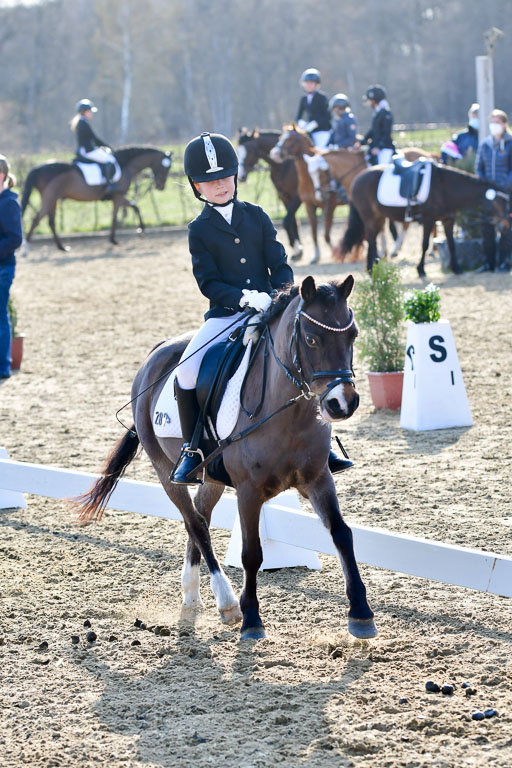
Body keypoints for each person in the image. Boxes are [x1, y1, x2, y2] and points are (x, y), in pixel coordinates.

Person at [170, 132, 353, 484]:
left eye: (224, 178)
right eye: (210, 182)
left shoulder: (256, 216)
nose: (220, 186)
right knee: (186, 371)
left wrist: (280, 295)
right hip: (227, 315)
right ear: (198, 187)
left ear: (235, 177)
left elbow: (280, 263)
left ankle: (324, 446)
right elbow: (208, 282)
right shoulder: (199, 230)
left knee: (302, 357)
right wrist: (242, 297)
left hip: (272, 308)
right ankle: (192, 450)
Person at [475, 109, 512, 273]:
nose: (494, 126)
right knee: (486, 226)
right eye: (492, 122)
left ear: (505, 124)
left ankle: (505, 262)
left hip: (506, 193)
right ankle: (488, 263)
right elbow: (479, 167)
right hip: (488, 192)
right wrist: (484, 183)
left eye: (497, 122)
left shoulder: (511, 143)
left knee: (506, 228)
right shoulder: (485, 144)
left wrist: (505, 184)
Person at [0, 155, 23, 379]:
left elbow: (15, 239)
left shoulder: (8, 203)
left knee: (0, 316)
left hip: (2, 268)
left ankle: (3, 366)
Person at [296, 68, 332, 200]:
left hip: (322, 131)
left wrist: (314, 124)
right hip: (309, 132)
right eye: (307, 83)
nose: (308, 85)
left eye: (311, 83)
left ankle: (329, 180)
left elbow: (327, 117)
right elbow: (299, 115)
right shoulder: (304, 99)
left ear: (316, 84)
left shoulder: (322, 98)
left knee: (321, 156)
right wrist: (301, 124)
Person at [71, 99, 119, 192]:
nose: (91, 113)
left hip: (86, 149)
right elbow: (94, 138)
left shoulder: (82, 122)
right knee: (109, 159)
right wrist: (107, 146)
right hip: (88, 150)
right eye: (89, 111)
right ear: (84, 112)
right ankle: (109, 184)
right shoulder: (83, 123)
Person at [356, 85, 395, 165]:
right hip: (375, 147)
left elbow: (386, 133)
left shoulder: (385, 113)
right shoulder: (378, 112)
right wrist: (362, 142)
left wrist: (379, 147)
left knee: (382, 171)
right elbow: (373, 130)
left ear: (374, 100)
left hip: (384, 149)